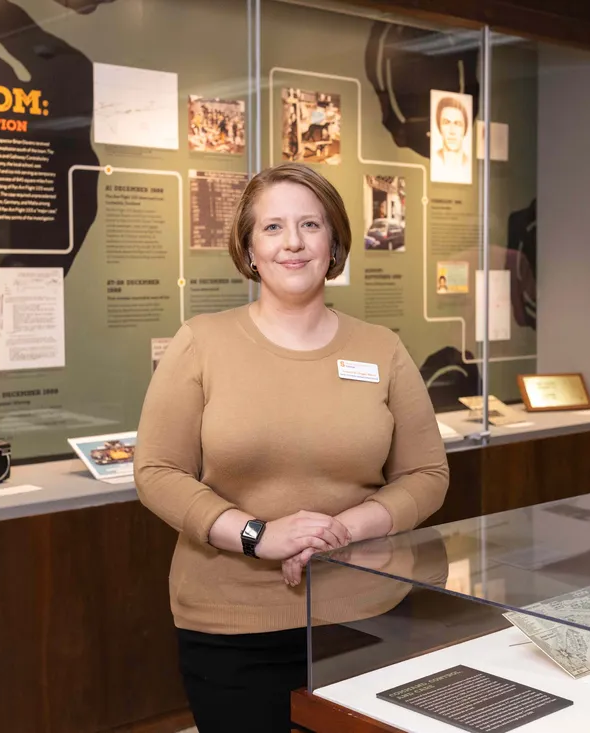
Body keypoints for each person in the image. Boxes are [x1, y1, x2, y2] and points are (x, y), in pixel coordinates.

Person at [135, 162, 449, 732]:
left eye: (310, 225)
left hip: (366, 615)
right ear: (249, 250)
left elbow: (427, 474)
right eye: (273, 228)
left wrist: (343, 529)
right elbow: (157, 471)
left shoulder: (382, 348)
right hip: (232, 624)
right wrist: (262, 536)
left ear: (333, 245)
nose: (294, 243)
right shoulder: (201, 343)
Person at [430, 95, 472, 184]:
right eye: (446, 123)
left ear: (465, 129)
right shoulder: (434, 160)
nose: (452, 131)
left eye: (457, 124)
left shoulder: (469, 164)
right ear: (439, 127)